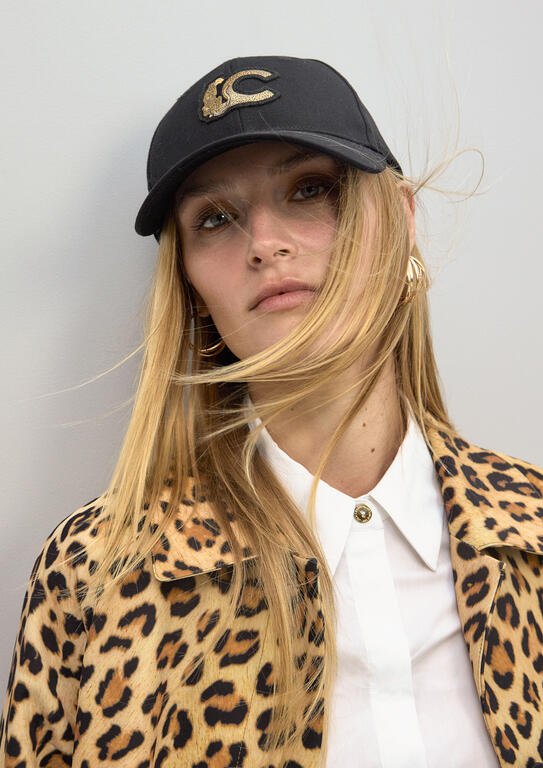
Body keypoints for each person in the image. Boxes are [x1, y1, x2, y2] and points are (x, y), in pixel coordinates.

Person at [1, 55, 542, 768]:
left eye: (310, 189)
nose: (264, 244)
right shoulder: (95, 574)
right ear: (190, 287)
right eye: (215, 218)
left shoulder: (532, 532)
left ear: (403, 221)